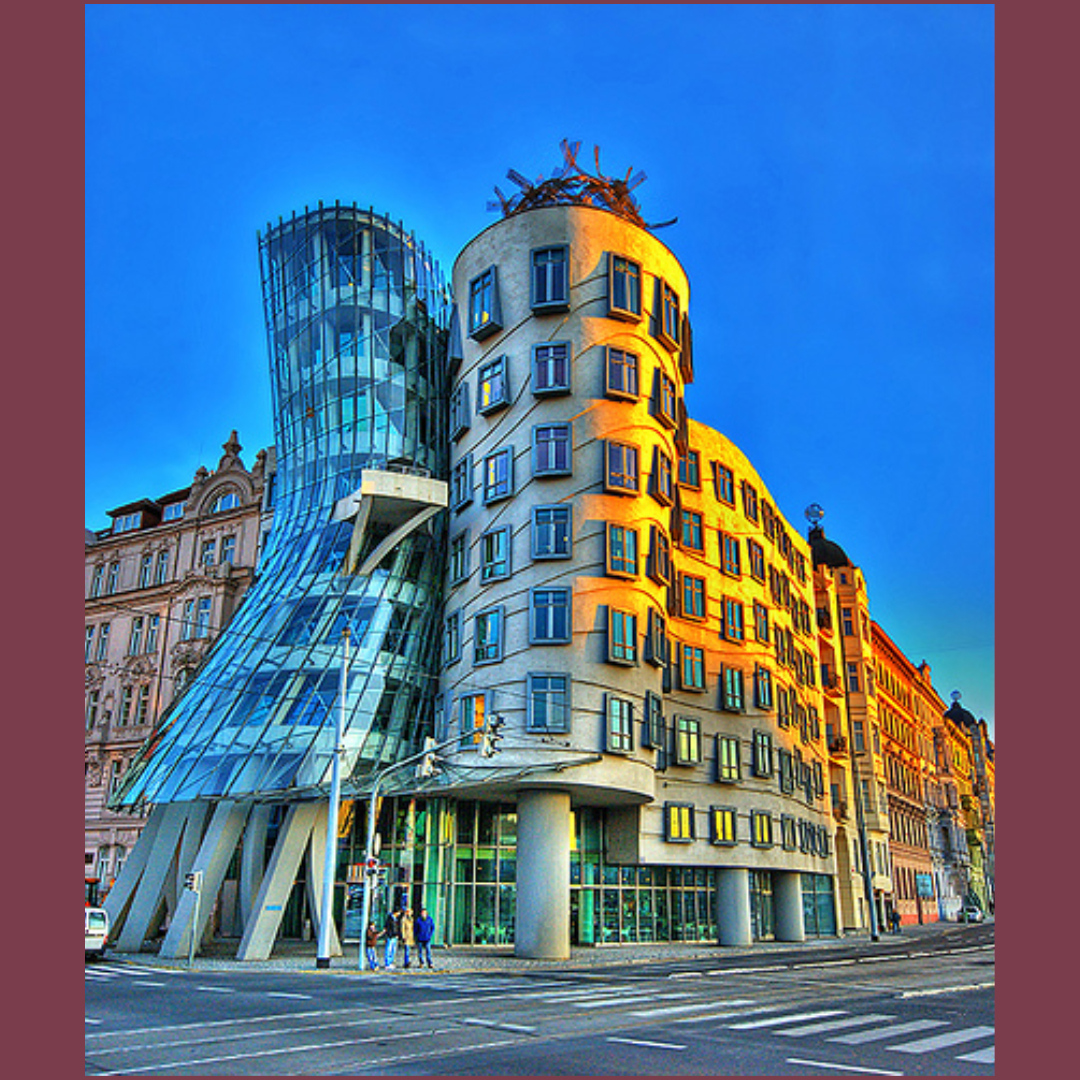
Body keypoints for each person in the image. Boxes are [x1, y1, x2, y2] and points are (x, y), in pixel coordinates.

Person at [383, 905, 402, 969]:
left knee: (393, 951)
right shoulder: (390, 919)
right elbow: (387, 928)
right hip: (390, 936)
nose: (399, 914)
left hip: (395, 936)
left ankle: (390, 962)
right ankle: (387, 963)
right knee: (389, 950)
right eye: (398, 912)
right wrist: (389, 935)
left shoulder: (396, 919)